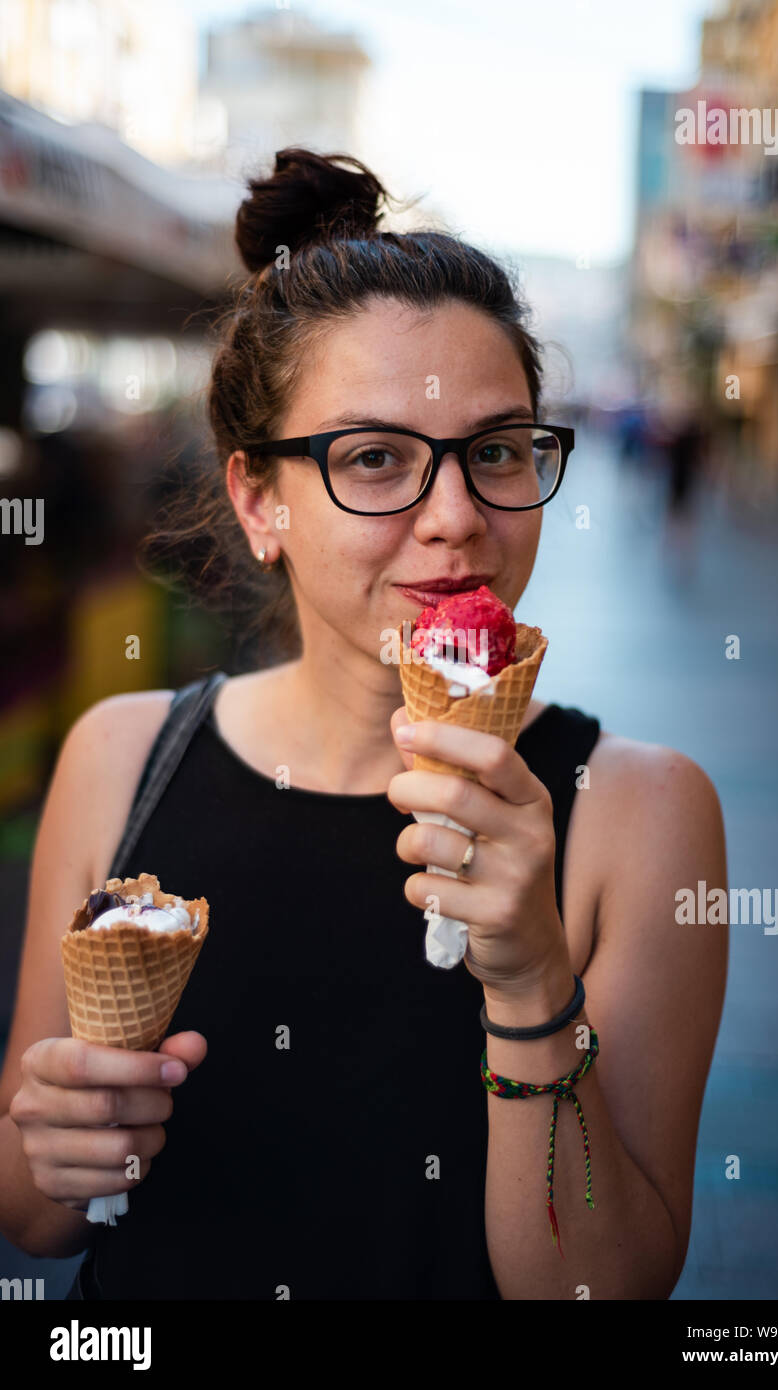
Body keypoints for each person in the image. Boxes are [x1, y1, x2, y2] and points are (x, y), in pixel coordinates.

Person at [0, 149, 727, 1300]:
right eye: (376, 458)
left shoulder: (641, 813)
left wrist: (535, 981)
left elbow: (601, 1288)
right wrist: (61, 1152)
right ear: (258, 500)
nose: (457, 519)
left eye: (495, 451)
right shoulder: (120, 757)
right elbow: (38, 1219)